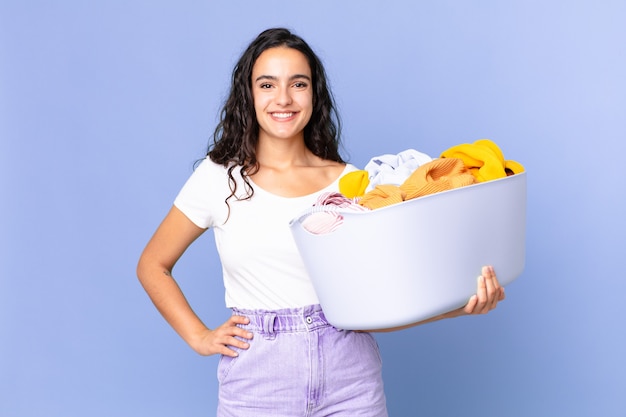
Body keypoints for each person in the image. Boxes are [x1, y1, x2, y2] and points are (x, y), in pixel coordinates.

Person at [136, 27, 505, 417]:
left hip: (350, 378)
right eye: (267, 84)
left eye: (298, 83)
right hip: (258, 380)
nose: (283, 98)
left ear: (314, 94)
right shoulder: (220, 179)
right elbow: (153, 265)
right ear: (249, 94)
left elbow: (379, 305)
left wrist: (462, 305)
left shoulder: (353, 183)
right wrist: (199, 337)